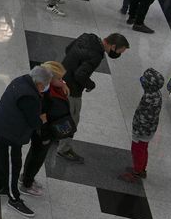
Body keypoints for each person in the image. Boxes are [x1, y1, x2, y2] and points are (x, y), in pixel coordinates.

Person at [54, 30, 129, 164]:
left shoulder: (87, 37)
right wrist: (90, 84)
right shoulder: (96, 55)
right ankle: (63, 149)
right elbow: (80, 75)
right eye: (119, 51)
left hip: (61, 79)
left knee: (59, 111)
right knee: (72, 119)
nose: (119, 54)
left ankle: (55, 134)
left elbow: (68, 49)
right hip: (72, 90)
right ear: (113, 46)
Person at [0, 65, 51, 218]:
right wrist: (42, 119)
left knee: (1, 158)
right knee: (13, 165)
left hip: (1, 125)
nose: (45, 88)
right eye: (45, 85)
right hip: (11, 134)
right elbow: (34, 122)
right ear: (39, 84)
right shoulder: (29, 95)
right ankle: (14, 198)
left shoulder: (21, 80)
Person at [17, 61, 71, 197]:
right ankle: (26, 184)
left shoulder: (52, 88)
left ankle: (26, 177)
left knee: (36, 155)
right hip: (44, 132)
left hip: (48, 129)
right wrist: (45, 134)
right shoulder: (45, 95)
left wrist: (63, 84)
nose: (62, 81)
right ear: (50, 79)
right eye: (59, 79)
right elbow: (42, 117)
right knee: (37, 157)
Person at [119, 68, 166, 183]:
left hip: (142, 131)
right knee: (143, 149)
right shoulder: (155, 94)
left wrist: (137, 131)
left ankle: (136, 172)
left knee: (137, 150)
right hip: (149, 130)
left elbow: (145, 118)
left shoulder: (150, 98)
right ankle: (141, 169)